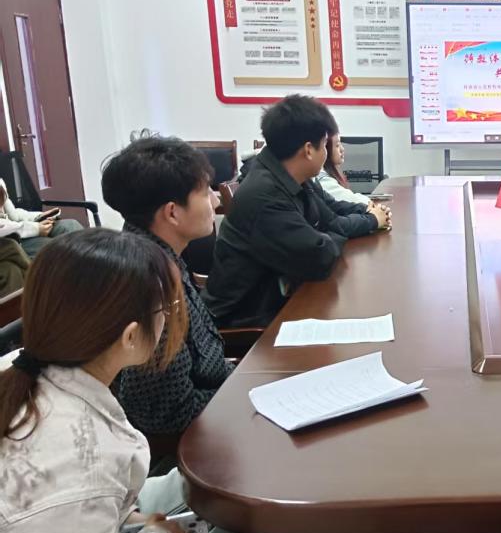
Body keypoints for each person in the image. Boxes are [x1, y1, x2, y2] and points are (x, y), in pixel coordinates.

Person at [0, 229, 301, 533]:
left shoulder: (28, 372)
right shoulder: (76, 458)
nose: (172, 319)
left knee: (222, 482)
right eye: (168, 309)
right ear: (129, 336)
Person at [203, 95, 389, 328]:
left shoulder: (293, 175)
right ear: (309, 150)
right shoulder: (264, 195)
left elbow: (330, 217)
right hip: (247, 319)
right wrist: (337, 232)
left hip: (282, 296)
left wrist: (365, 217)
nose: (326, 153)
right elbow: (320, 257)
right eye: (325, 145)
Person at [101, 137, 232, 446]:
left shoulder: (161, 255)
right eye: (206, 192)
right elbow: (170, 415)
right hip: (191, 444)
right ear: (172, 213)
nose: (216, 201)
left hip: (221, 397)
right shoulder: (149, 284)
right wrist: (242, 396)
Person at [0, 176, 83, 258]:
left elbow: (13, 215)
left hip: (20, 229)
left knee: (71, 225)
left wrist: (40, 216)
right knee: (53, 247)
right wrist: (36, 229)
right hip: (7, 240)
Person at [315, 133, 372, 206]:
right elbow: (355, 201)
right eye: (337, 145)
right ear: (325, 148)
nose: (342, 149)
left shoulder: (328, 174)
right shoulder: (323, 180)